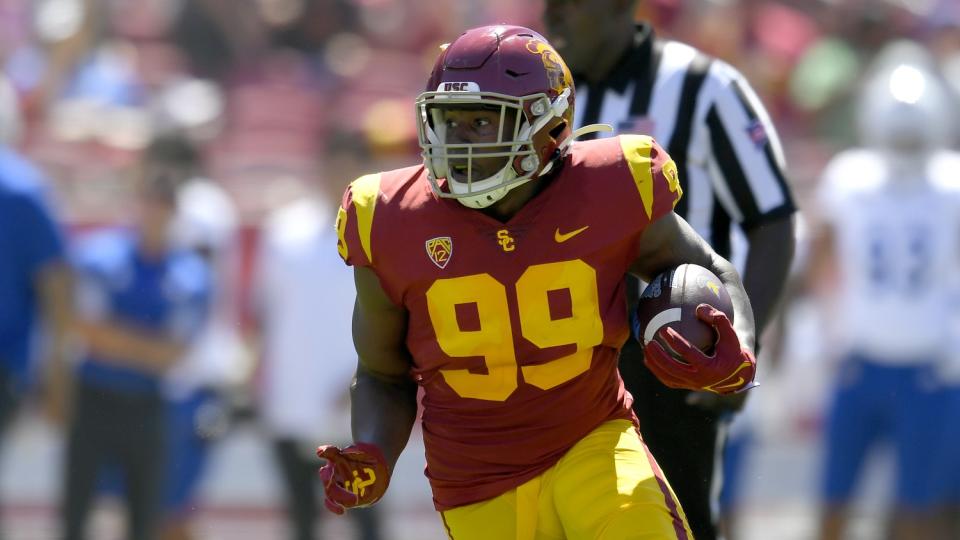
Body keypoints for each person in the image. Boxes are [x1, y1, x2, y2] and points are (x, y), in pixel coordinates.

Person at [318, 25, 759, 539]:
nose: (453, 141)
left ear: (547, 129)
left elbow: (710, 266)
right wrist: (373, 451)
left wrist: (739, 347)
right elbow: (380, 372)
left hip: (592, 443)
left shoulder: (611, 186)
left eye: (481, 121)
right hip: (474, 480)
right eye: (446, 119)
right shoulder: (388, 218)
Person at [542, 2, 796, 538]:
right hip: (568, 352)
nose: (553, 19)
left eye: (568, 7)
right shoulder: (546, 94)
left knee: (678, 522)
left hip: (671, 347)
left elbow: (772, 221)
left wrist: (744, 340)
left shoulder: (705, 86)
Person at [808, 41, 959, 540]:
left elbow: (819, 253)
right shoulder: (852, 177)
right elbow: (822, 251)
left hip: (929, 364)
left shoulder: (946, 181)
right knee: (835, 500)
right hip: (867, 356)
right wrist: (828, 326)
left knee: (918, 507)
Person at [62, 137, 212, 540]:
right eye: (148, 202)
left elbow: (172, 355)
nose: (153, 214)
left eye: (162, 205)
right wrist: (145, 343)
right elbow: (85, 330)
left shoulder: (189, 276)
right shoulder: (100, 255)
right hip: (94, 395)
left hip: (148, 403)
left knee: (144, 514)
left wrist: (118, 338)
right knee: (76, 511)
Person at [252, 138, 382, 540]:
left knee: (365, 514)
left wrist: (366, 382)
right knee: (301, 517)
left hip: (354, 406)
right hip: (291, 398)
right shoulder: (284, 232)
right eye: (333, 167)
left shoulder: (385, 237)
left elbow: (396, 323)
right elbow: (265, 312)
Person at [0, 75, 73, 538]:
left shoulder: (23, 193)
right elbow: (58, 293)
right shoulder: (26, 190)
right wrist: (56, 377)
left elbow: (56, 289)